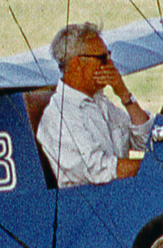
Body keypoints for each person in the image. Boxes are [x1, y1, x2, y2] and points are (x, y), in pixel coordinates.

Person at [36, 23, 151, 188]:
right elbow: (98, 169)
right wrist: (154, 167)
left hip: (118, 196)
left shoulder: (100, 102)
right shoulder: (59, 116)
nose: (110, 64)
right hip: (89, 206)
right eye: (103, 58)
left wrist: (124, 95)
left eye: (108, 56)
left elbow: (144, 143)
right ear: (76, 64)